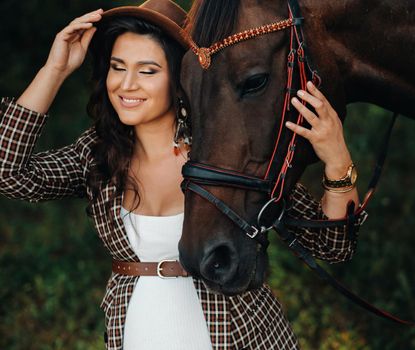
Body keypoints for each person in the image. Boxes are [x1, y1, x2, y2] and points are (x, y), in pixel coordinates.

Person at [0, 0, 365, 349]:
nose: (126, 85)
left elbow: (331, 247)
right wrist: (55, 70)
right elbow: (9, 173)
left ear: (180, 79)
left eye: (148, 70)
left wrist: (337, 161)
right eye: (117, 66)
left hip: (240, 340)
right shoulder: (99, 156)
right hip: (138, 334)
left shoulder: (223, 152)